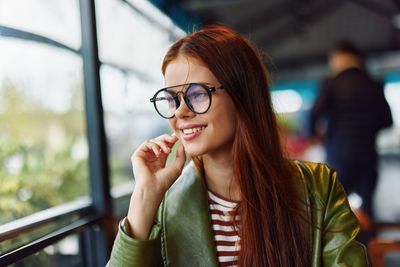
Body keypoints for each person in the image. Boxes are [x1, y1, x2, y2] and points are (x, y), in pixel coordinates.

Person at [108, 26, 368, 266]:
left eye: (197, 94)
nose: (180, 112)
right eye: (171, 99)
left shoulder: (319, 189)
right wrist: (143, 198)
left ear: (242, 94)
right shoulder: (161, 205)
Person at [309, 42, 393, 220]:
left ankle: (338, 248)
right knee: (367, 211)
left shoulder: (331, 83)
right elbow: (387, 121)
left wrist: (315, 135)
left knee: (333, 211)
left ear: (340, 58)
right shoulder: (374, 85)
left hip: (338, 157)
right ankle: (369, 246)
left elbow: (313, 116)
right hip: (368, 157)